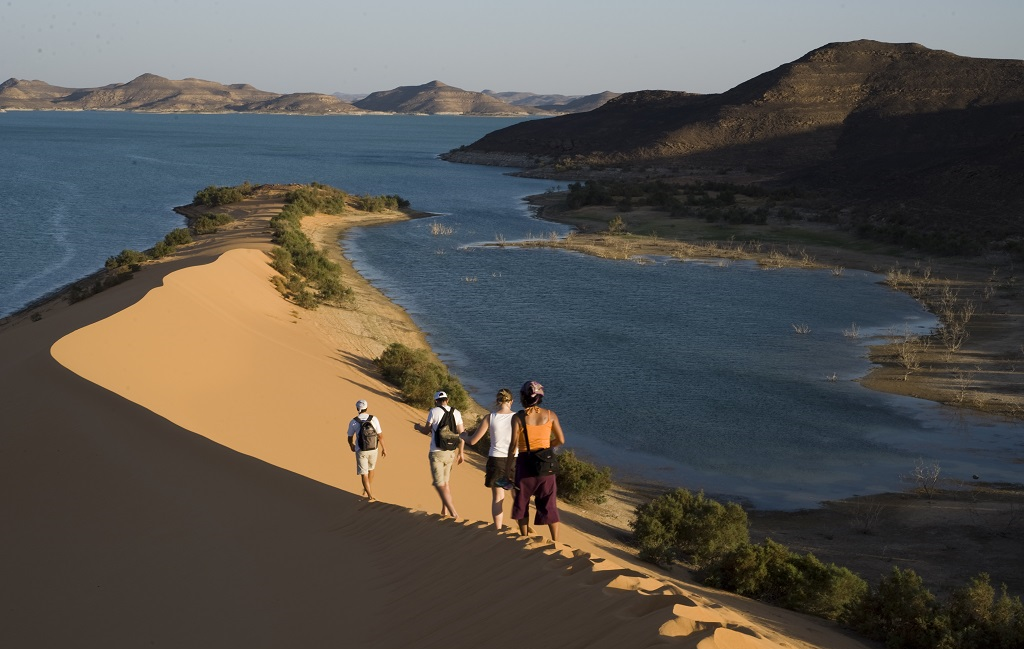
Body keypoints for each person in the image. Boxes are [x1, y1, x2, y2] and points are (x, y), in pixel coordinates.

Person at [506, 380, 565, 541]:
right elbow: (560, 440)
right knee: (549, 504)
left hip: (525, 465)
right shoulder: (550, 415)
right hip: (546, 464)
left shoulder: (518, 418)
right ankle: (555, 542)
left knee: (522, 503)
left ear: (523, 397)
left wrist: (507, 470)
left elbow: (513, 447)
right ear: (539, 398)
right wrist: (547, 447)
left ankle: (524, 538)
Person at [466, 388, 517, 531]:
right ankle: (523, 528)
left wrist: (464, 436)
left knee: (498, 497)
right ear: (511, 402)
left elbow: (473, 441)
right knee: (517, 496)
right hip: (515, 460)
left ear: (497, 401)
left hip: (496, 460)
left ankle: (498, 529)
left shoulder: (490, 417)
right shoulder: (518, 418)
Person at [419, 390, 465, 519]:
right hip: (451, 452)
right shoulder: (456, 412)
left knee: (440, 483)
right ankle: (444, 510)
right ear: (447, 400)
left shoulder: (434, 411)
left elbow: (426, 430)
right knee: (446, 482)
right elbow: (462, 434)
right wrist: (461, 452)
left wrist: (417, 427)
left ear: (436, 401)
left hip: (437, 452)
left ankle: (454, 513)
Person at [347, 399, 386, 502]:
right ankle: (366, 489)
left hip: (361, 450)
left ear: (357, 409)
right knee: (371, 469)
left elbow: (349, 436)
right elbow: (380, 435)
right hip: (374, 449)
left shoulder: (354, 421)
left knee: (364, 473)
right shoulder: (374, 419)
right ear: (367, 408)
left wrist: (351, 445)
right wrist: (384, 448)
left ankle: (369, 495)